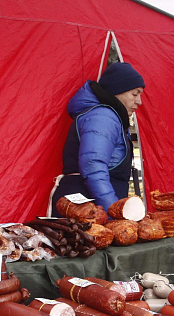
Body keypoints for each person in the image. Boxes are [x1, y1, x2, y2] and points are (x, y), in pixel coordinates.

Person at [49, 62, 145, 217]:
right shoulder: (102, 117)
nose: (139, 101)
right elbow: (94, 167)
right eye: (135, 94)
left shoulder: (110, 117)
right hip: (86, 211)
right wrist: (114, 212)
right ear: (117, 92)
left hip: (91, 207)